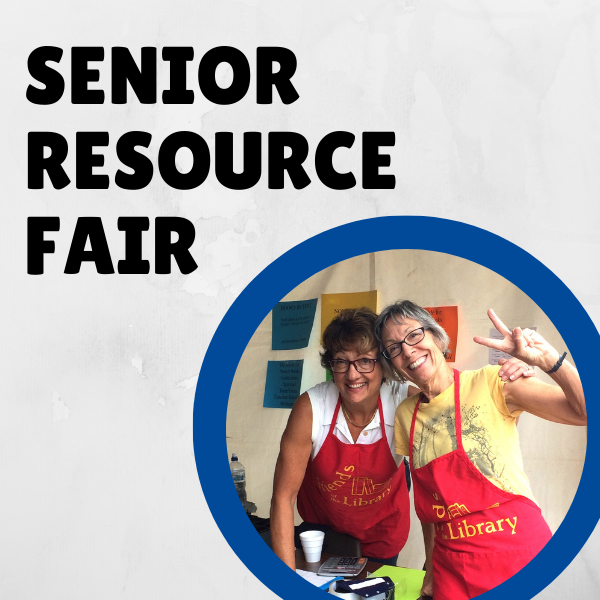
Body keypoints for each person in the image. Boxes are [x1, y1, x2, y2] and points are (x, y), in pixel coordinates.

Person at [270, 307, 532, 570]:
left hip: (383, 535)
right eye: (341, 361)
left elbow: (434, 488)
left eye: (365, 361)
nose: (352, 374)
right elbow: (283, 497)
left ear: (383, 365)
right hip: (323, 536)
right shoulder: (311, 408)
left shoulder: (406, 403)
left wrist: (432, 565)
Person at [375, 300, 586, 600]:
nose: (407, 351)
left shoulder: (493, 382)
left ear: (436, 336)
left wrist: (548, 360)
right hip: (452, 571)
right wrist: (431, 575)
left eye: (414, 335)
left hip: (517, 558)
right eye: (393, 348)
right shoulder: (405, 415)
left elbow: (585, 412)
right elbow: (429, 510)